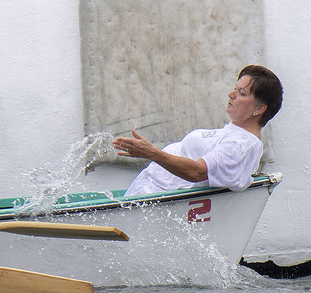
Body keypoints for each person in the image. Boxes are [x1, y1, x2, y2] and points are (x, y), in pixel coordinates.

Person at [115, 64, 284, 198]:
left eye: (241, 93)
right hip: (144, 195)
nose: (231, 94)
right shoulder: (234, 135)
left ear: (260, 108)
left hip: (154, 202)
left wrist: (151, 153)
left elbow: (197, 172)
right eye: (235, 88)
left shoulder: (241, 145)